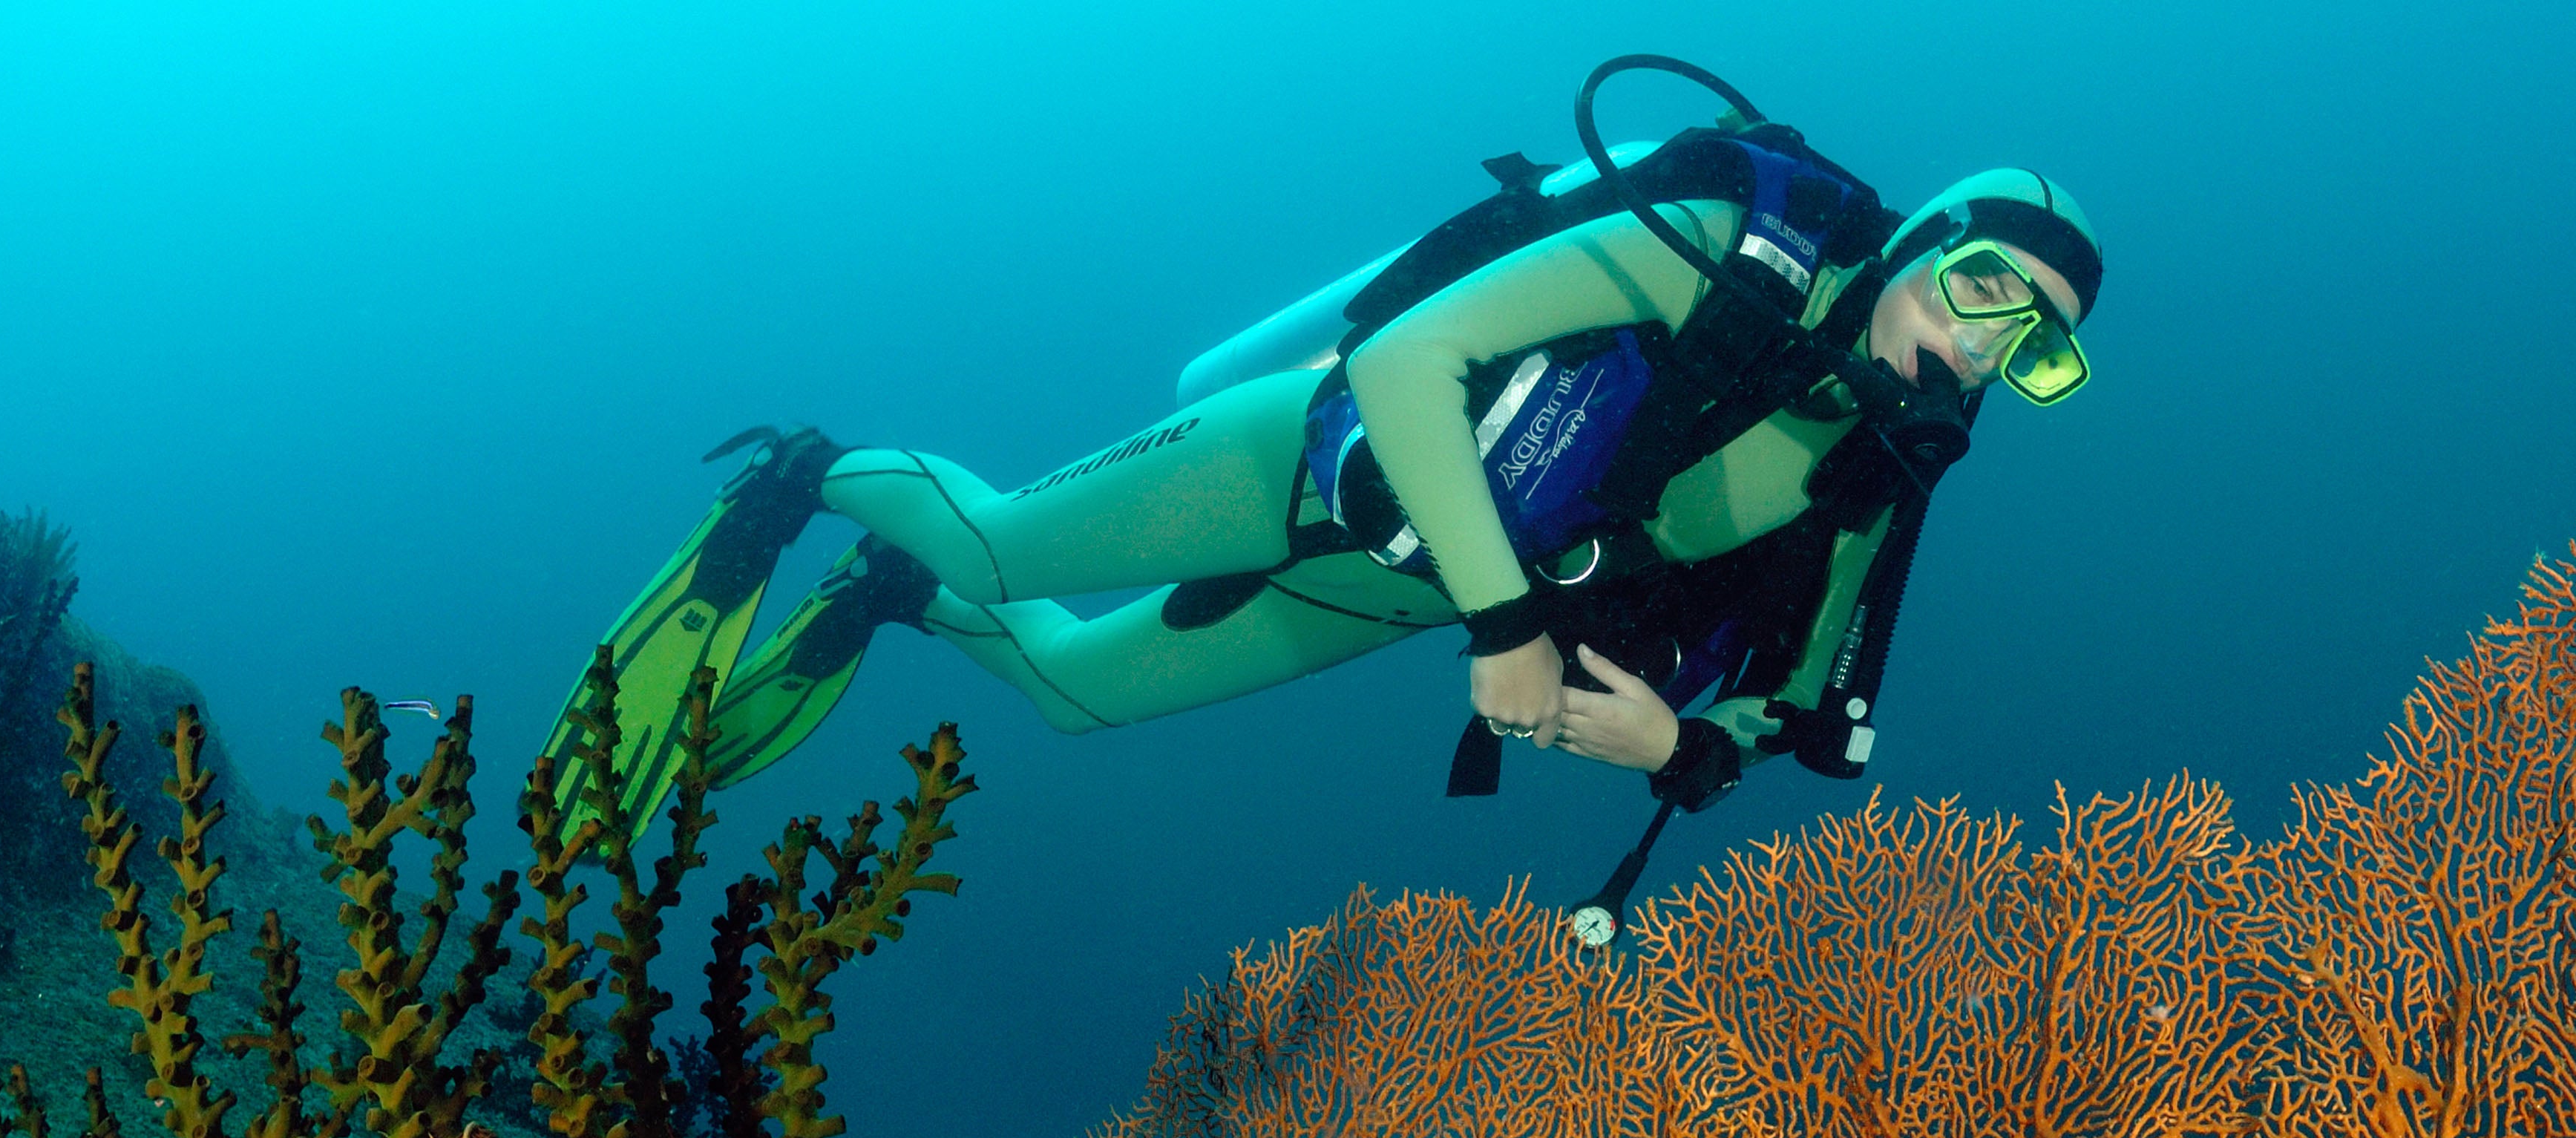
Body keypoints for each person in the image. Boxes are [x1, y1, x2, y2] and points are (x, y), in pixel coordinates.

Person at [552, 122, 2100, 934]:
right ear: (1921, 243)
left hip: (1400, 593)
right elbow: (1403, 361)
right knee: (1012, 547)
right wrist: (1508, 629)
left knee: (1078, 693)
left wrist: (1674, 751)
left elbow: (1803, 698)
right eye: (1982, 289)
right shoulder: (1723, 254)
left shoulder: (1879, 470)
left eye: (2035, 345)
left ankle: (894, 592)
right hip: (1300, 466)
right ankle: (808, 473)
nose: (1981, 347)